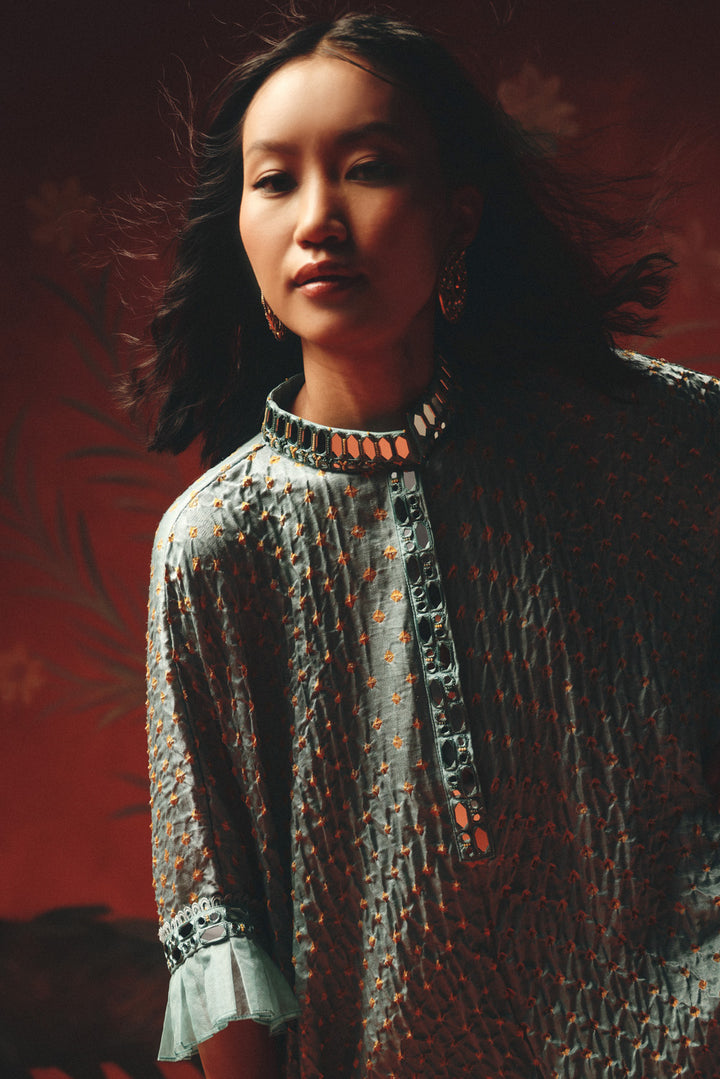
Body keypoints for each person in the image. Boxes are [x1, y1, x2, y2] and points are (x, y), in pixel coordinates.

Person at [134, 12, 720, 1078]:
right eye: (275, 181)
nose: (319, 218)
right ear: (243, 234)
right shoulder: (214, 546)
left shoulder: (657, 443)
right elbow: (217, 913)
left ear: (459, 217)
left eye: (367, 168)